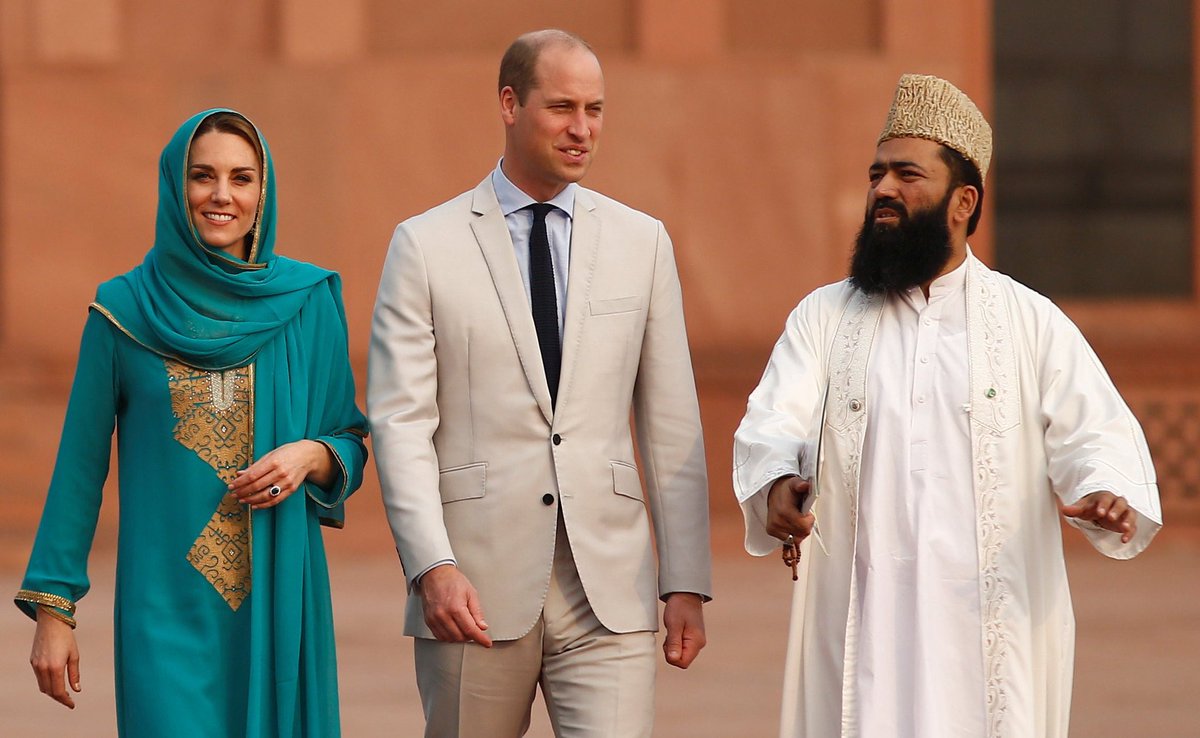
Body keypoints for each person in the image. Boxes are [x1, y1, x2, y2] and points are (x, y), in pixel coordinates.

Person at [732, 74, 1162, 738]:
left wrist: (1106, 488)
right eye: (878, 174)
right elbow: (772, 418)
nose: (882, 190)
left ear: (963, 201)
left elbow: (1094, 431)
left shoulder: (1029, 321)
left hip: (988, 631)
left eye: (908, 175)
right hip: (863, 623)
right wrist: (776, 483)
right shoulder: (824, 317)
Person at [369, 29, 712, 738]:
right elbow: (401, 423)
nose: (582, 129)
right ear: (508, 103)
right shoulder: (425, 245)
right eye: (562, 107)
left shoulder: (641, 243)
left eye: (595, 109)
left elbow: (670, 420)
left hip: (609, 589)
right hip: (472, 589)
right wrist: (432, 565)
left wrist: (685, 581)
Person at [16, 109, 369, 737]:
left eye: (242, 177)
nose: (221, 195)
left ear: (264, 193)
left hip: (277, 593)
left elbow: (347, 439)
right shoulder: (123, 310)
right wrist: (54, 609)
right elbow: (80, 463)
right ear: (175, 189)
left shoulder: (308, 301)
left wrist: (309, 456)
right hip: (163, 605)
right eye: (202, 176)